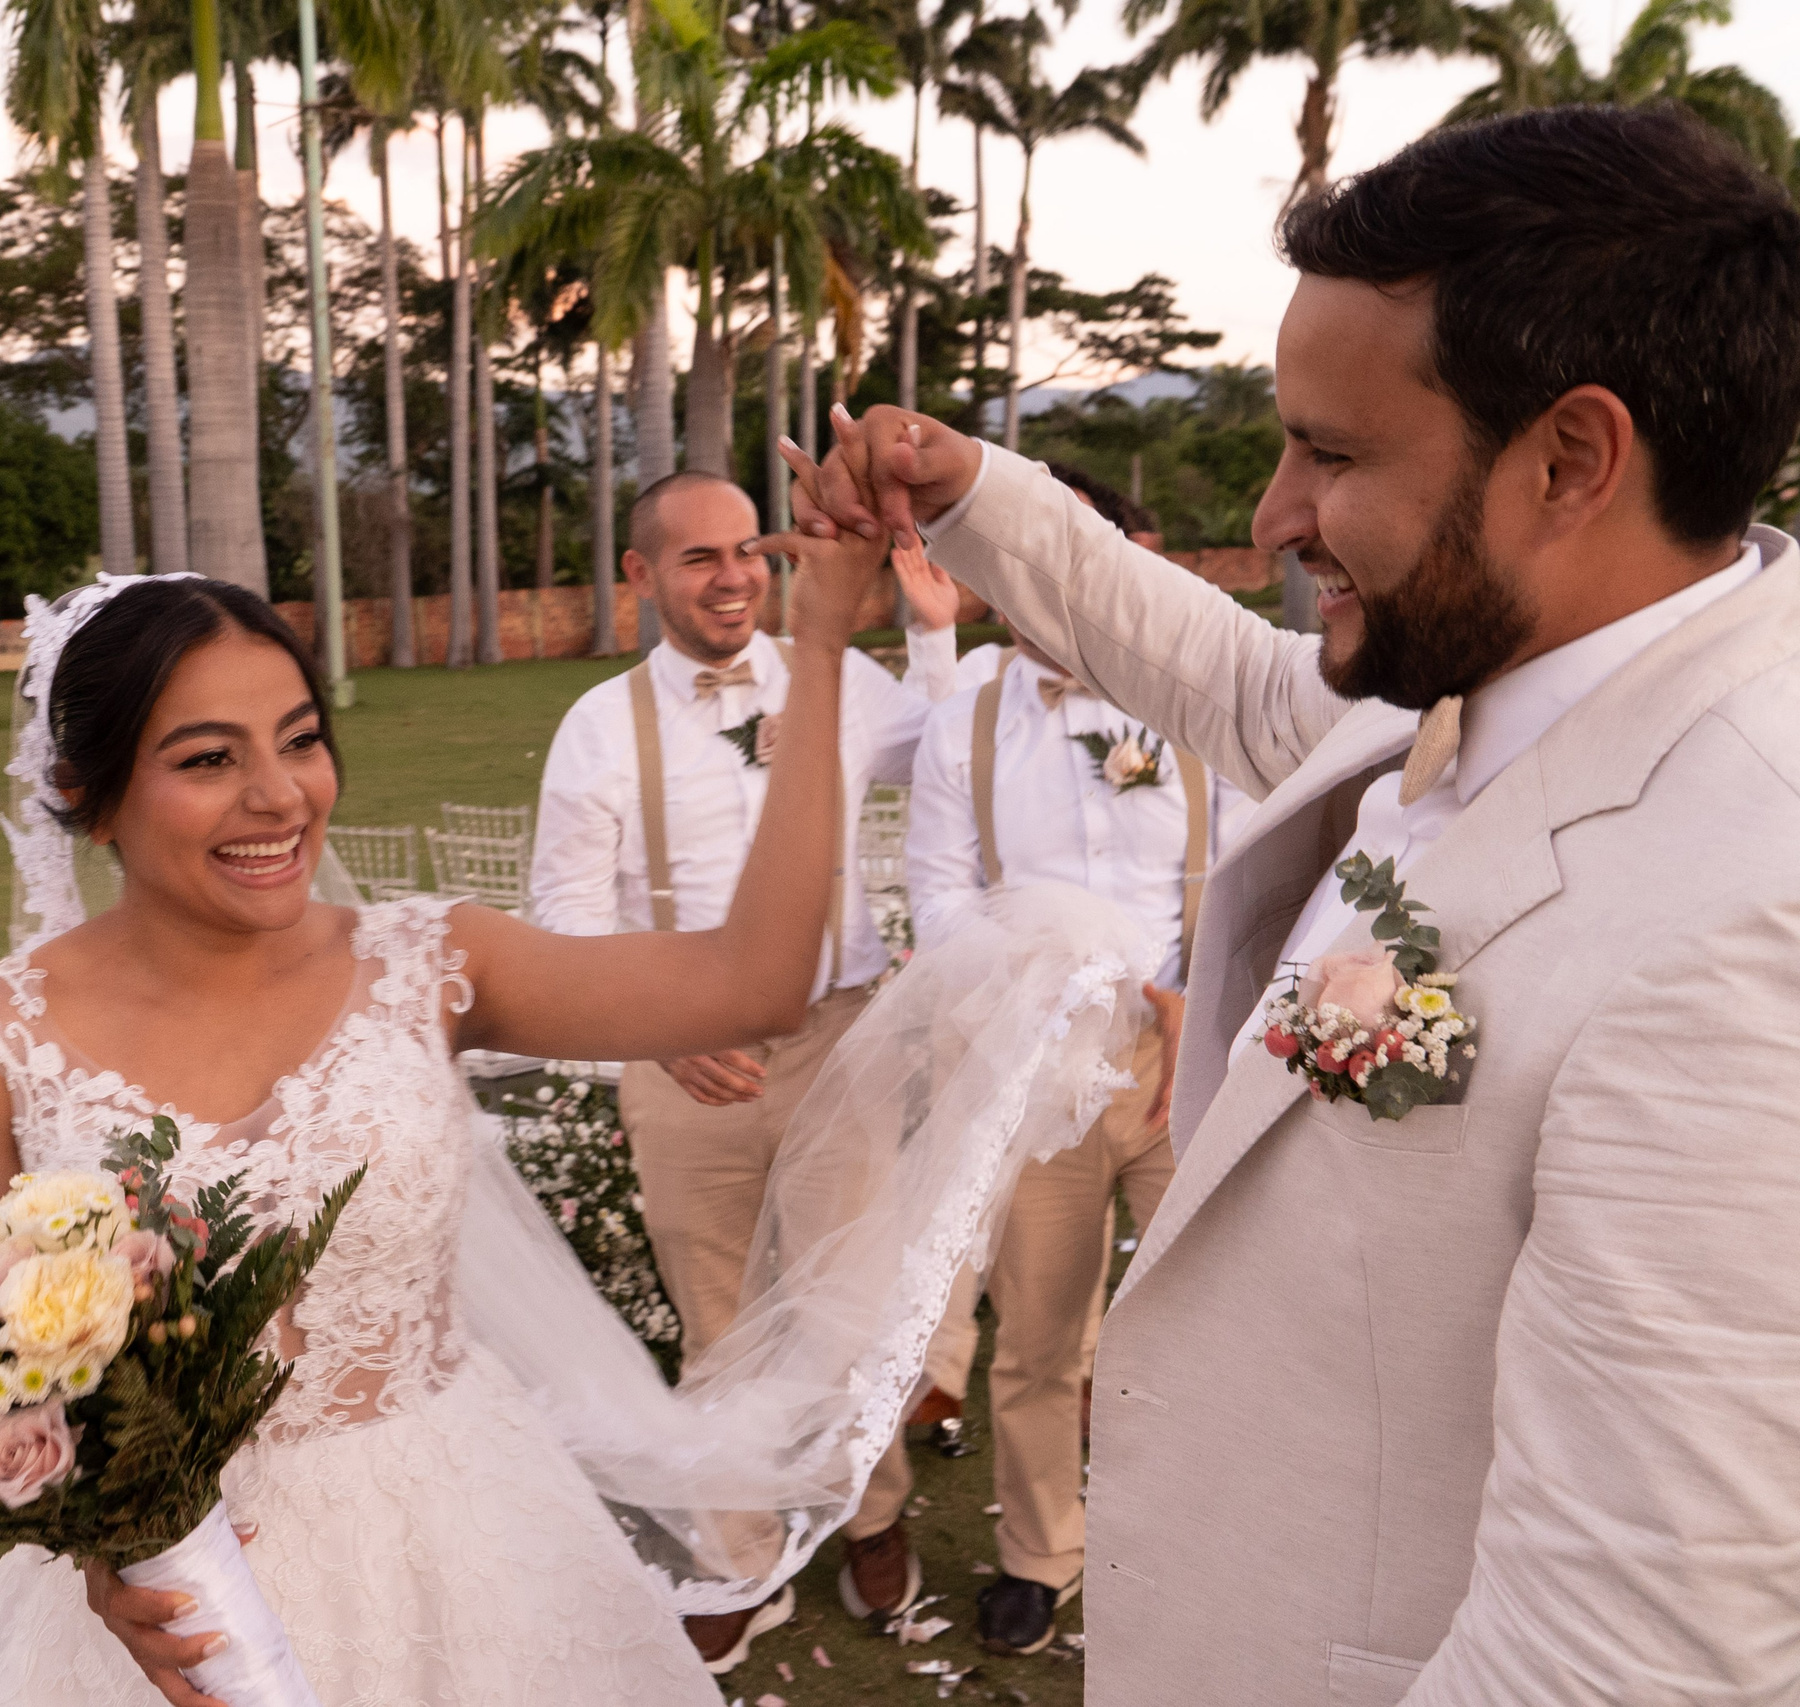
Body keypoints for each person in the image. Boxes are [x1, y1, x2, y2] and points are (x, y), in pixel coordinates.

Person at [788, 105, 1800, 1704]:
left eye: (1331, 452)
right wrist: (972, 485)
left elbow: (1632, 1654)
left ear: (1572, 459)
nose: (1269, 516)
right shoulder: (1500, 662)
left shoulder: (1752, 923)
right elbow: (1232, 679)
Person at [0, 524, 907, 1707]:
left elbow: (755, 981)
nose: (279, 795)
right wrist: (94, 1565)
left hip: (464, 1542)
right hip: (172, 1613)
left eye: (299, 741)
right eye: (206, 759)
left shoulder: (435, 963)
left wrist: (828, 643)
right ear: (90, 799)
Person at [529, 470, 940, 1666]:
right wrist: (653, 1031)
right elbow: (559, 921)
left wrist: (928, 626)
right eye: (699, 558)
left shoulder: (841, 683)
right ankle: (743, 1557)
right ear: (639, 576)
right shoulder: (599, 727)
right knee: (720, 1322)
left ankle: (871, 1517)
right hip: (679, 1059)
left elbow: (955, 755)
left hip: (838, 1041)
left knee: (843, 1312)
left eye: (747, 553)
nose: (732, 577)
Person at [905, 472, 1255, 1652]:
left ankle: (1210, 1536)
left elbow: (1261, 878)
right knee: (1043, 1331)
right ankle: (1037, 1551)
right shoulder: (965, 714)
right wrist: (1038, 971)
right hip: (1036, 1070)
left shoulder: (1202, 704)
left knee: (1218, 1318)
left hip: (1185, 1063)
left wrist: (1204, 998)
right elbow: (938, 896)